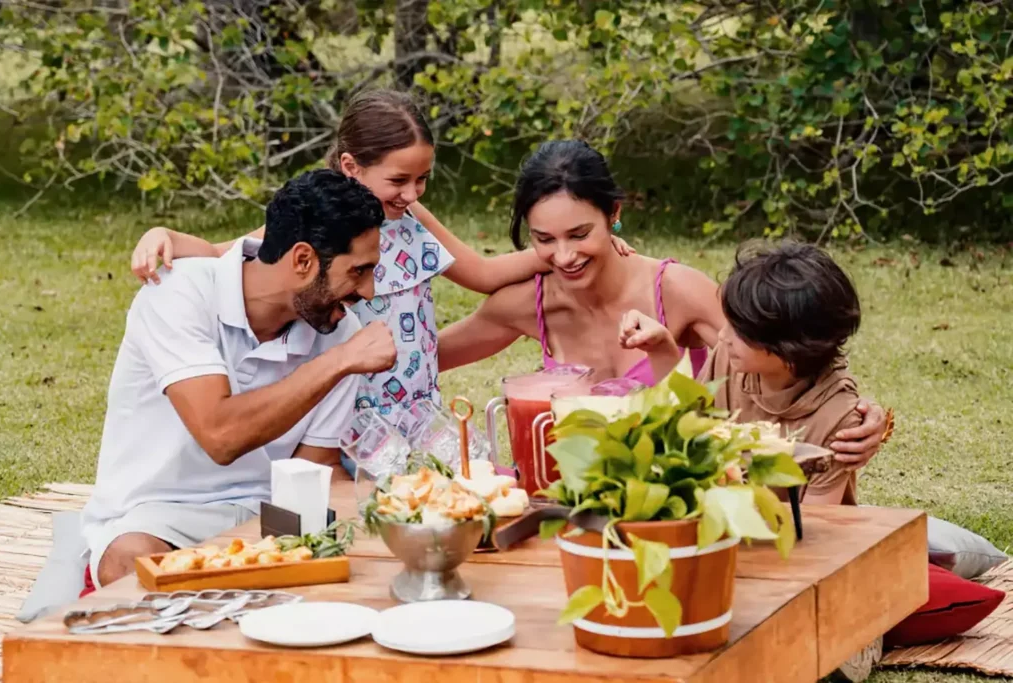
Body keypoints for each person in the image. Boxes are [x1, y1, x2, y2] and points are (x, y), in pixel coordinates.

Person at [129, 90, 634, 462]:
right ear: (351, 166)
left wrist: (565, 249)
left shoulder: (412, 221)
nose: (412, 193)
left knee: (462, 493)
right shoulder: (319, 226)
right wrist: (164, 235)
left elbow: (481, 272)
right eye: (398, 180)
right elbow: (231, 254)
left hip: (417, 406)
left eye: (422, 179)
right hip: (349, 412)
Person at [438, 139, 889, 466]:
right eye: (544, 240)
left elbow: (788, 346)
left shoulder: (675, 290)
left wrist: (861, 411)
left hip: (675, 499)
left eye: (579, 234)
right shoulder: (525, 304)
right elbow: (423, 359)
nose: (564, 256)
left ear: (614, 214)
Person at [81, 169, 397, 587]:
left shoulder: (340, 332)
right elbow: (220, 435)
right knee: (131, 568)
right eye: (358, 271)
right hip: (154, 512)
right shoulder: (178, 292)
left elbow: (309, 470)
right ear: (303, 260)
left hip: (266, 516)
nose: (370, 291)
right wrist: (337, 362)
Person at [630, 241, 867, 504]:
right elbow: (686, 430)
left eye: (740, 330)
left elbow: (818, 524)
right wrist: (662, 350)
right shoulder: (729, 359)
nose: (722, 335)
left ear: (789, 348)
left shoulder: (838, 420)